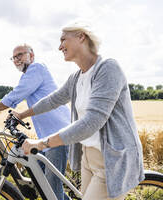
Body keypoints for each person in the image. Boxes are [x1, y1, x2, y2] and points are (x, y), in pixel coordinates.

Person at [12, 23, 145, 200]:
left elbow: (91, 122)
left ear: (81, 37)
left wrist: (42, 143)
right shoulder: (77, 77)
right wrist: (21, 115)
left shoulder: (107, 69)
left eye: (63, 40)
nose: (59, 46)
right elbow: (53, 100)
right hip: (88, 157)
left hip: (111, 159)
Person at [0, 44, 71, 200]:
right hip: (46, 137)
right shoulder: (27, 75)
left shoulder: (37, 68)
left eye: (20, 55)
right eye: (14, 57)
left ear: (32, 55)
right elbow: (17, 95)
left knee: (52, 188)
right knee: (43, 183)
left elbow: (16, 94)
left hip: (58, 134)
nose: (17, 59)